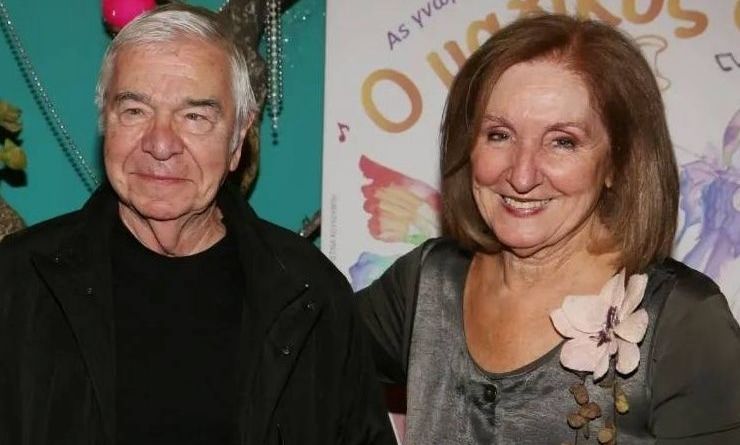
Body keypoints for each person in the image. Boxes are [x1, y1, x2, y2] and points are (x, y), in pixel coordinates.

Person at [0, 4, 394, 445]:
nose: (160, 144)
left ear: (237, 141)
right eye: (135, 111)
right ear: (105, 123)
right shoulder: (16, 285)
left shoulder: (311, 295)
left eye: (195, 117)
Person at [357, 13, 740, 445]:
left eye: (563, 141)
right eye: (499, 135)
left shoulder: (683, 322)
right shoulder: (426, 284)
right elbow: (305, 357)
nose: (522, 175)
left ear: (617, 162)